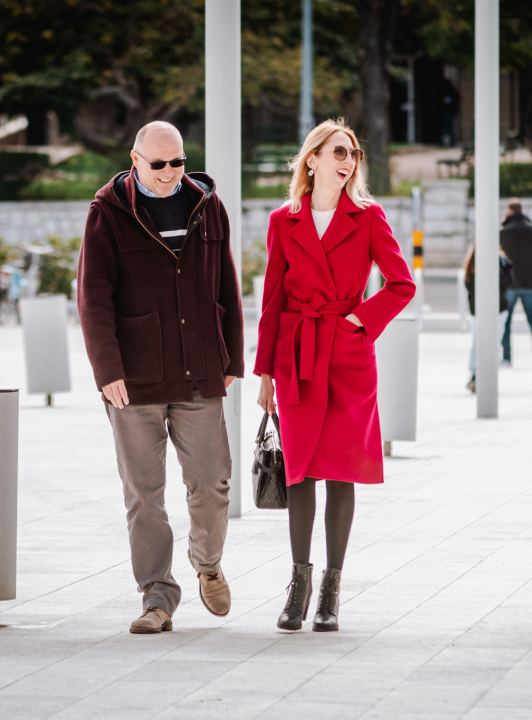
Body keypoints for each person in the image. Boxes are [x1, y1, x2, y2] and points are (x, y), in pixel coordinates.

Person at [77, 121, 244, 635]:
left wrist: (233, 359)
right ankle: (157, 596)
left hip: (199, 371)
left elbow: (226, 283)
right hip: (134, 380)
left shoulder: (207, 205)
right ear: (135, 160)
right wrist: (107, 370)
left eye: (178, 162)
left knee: (212, 481)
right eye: (158, 164)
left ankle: (208, 564)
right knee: (144, 495)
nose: (170, 172)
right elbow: (92, 297)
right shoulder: (108, 212)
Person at [255, 119, 414, 633]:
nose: (348, 161)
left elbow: (401, 284)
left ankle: (331, 590)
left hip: (346, 356)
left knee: (341, 470)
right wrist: (264, 374)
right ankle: (298, 586)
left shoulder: (368, 217)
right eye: (339, 152)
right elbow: (271, 301)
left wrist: (358, 322)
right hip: (297, 356)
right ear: (313, 159)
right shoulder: (283, 220)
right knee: (299, 471)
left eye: (354, 154)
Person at [499, 200, 532, 362]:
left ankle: (506, 356)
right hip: (530, 282)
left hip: (509, 283)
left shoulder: (503, 232)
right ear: (522, 211)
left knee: (506, 321)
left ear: (509, 212)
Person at [464, 245, 512, 393]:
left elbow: (508, 282)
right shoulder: (473, 263)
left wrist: (500, 264)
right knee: (478, 342)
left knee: (492, 343)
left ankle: (488, 376)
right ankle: (475, 375)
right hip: (479, 311)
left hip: (497, 310)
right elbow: (469, 283)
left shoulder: (500, 262)